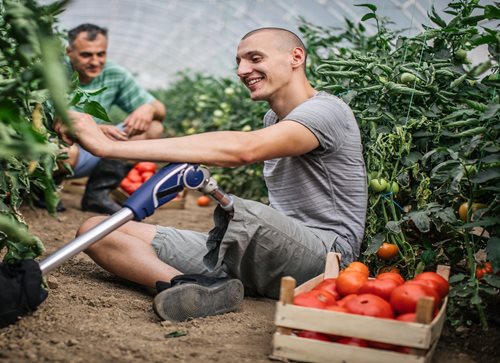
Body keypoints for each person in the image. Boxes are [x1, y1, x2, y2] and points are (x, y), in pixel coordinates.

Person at [57, 27, 367, 322]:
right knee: (96, 229)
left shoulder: (327, 111)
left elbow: (243, 149)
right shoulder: (273, 118)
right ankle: (193, 289)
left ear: (296, 58)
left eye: (255, 59)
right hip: (274, 253)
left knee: (249, 214)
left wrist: (106, 147)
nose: (242, 70)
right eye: (239, 62)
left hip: (325, 256)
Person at [55, 23, 166, 214]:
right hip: (64, 150)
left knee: (153, 127)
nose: (95, 61)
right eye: (86, 55)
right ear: (69, 52)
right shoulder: (53, 73)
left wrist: (148, 108)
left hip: (95, 150)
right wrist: (95, 129)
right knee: (65, 151)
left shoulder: (114, 74)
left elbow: (160, 110)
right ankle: (46, 189)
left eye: (101, 54)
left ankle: (97, 195)